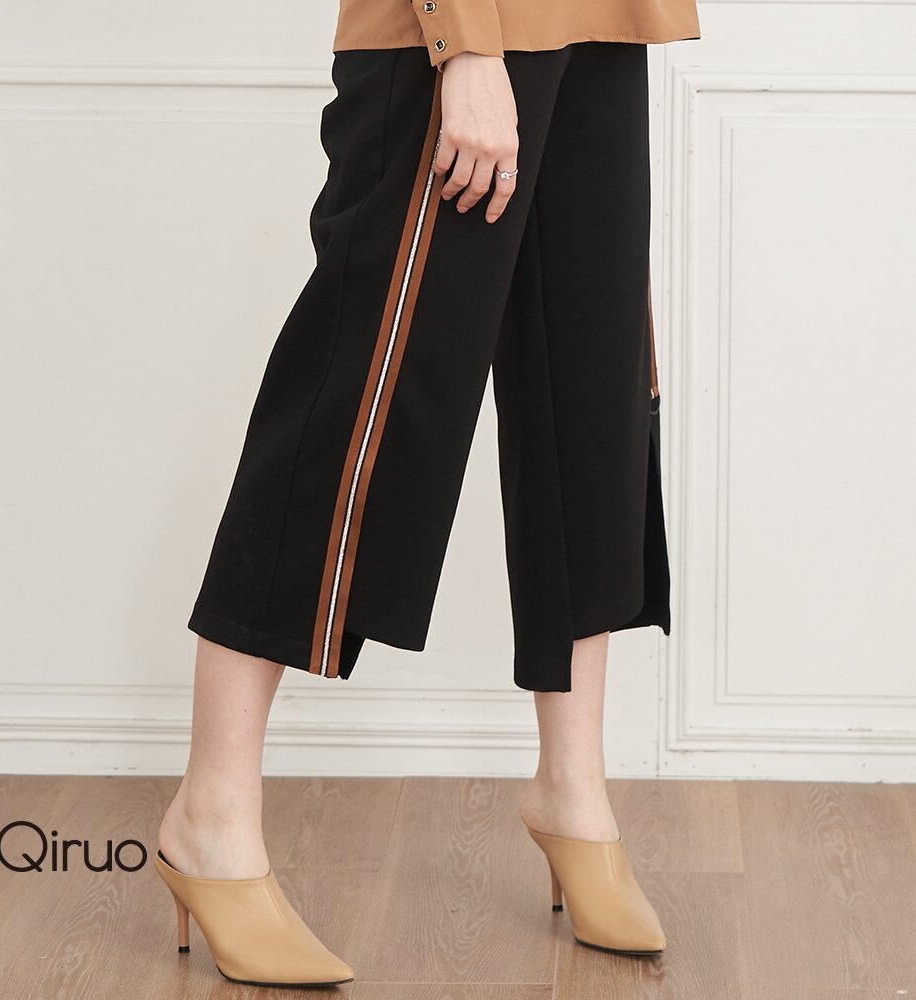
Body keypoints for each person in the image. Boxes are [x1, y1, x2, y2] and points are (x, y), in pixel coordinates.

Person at [155, 0, 700, 987]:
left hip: (604, 21)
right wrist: (466, 43)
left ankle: (572, 791)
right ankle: (210, 812)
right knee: (358, 408)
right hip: (457, 36)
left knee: (592, 402)